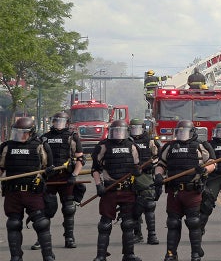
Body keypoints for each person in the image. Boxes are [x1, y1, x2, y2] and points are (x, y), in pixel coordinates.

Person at [154, 120, 216, 261]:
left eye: (185, 132)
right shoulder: (169, 147)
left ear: (192, 132)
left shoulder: (201, 146)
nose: (182, 135)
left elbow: (213, 163)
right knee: (173, 223)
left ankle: (195, 255)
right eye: (179, 132)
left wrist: (205, 169)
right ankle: (171, 254)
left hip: (192, 191)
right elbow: (161, 164)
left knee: (194, 222)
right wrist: (158, 174)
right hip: (174, 192)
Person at [0, 117, 57, 261]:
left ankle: (48, 256)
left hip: (33, 191)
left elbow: (47, 168)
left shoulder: (40, 146)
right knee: (13, 224)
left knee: (41, 223)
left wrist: (49, 172)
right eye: (17, 132)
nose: (20, 135)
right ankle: (16, 257)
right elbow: (1, 168)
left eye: (23, 132)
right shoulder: (7, 147)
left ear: (31, 132)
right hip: (13, 192)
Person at [31, 112, 85, 251]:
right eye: (56, 121)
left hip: (65, 177)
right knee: (45, 209)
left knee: (68, 208)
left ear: (67, 123)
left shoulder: (72, 137)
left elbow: (80, 159)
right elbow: (36, 160)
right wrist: (43, 170)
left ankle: (69, 237)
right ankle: (41, 239)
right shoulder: (44, 138)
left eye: (61, 121)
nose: (58, 124)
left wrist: (74, 175)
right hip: (48, 178)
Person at [90, 119, 142, 261]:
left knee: (128, 224)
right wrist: (98, 185)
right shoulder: (103, 146)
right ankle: (101, 255)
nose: (118, 134)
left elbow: (138, 165)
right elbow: (95, 169)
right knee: (105, 224)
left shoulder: (132, 146)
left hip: (127, 189)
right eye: (115, 131)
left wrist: (138, 171)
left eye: (121, 131)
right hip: (110, 189)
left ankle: (129, 254)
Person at [129, 118, 161, 245]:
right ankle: (137, 234)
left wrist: (151, 166)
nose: (135, 132)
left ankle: (152, 235)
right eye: (133, 129)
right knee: (133, 206)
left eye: (138, 129)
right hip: (130, 176)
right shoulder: (126, 142)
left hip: (146, 175)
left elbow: (157, 156)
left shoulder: (150, 141)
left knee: (149, 205)